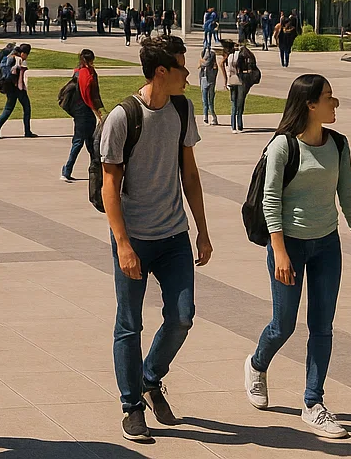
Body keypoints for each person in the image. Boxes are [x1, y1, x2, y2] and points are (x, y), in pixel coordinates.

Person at [243, 74, 351, 440]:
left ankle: (313, 402)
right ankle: (256, 364)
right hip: (290, 246)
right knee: (283, 324)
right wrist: (280, 252)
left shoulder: (338, 144)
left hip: (327, 246)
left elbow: (348, 195)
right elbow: (270, 201)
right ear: (310, 105)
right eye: (330, 98)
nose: (335, 104)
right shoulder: (283, 146)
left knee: (322, 326)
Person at [100, 35, 211, 443]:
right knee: (129, 324)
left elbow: (190, 174)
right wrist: (123, 244)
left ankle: (151, 378)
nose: (189, 74)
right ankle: (131, 406)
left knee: (182, 316)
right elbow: (109, 187)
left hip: (174, 235)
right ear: (161, 71)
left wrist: (202, 230)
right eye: (183, 67)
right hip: (134, 238)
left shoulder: (182, 108)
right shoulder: (123, 117)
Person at [63, 48, 106, 181]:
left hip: (81, 111)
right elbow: (87, 94)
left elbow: (92, 93)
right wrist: (96, 110)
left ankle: (96, 170)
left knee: (90, 142)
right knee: (81, 142)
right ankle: (67, 170)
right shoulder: (84, 74)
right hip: (83, 111)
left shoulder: (81, 72)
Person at [0, 43, 35, 138]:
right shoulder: (19, 60)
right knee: (27, 108)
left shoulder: (9, 57)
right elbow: (20, 75)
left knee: (8, 108)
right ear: (23, 53)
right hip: (18, 88)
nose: (26, 57)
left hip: (9, 87)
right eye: (27, 54)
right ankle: (27, 131)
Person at [228, 42, 259, 133]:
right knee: (240, 104)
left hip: (232, 80)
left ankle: (233, 126)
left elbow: (229, 69)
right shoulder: (245, 56)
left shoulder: (231, 57)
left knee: (234, 104)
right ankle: (239, 124)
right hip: (240, 81)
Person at [197, 44, 220, 125]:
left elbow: (207, 63)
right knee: (204, 101)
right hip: (204, 80)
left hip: (210, 82)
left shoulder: (214, 66)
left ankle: (213, 116)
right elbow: (201, 67)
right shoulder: (203, 68)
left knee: (210, 101)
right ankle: (205, 117)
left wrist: (202, 61)